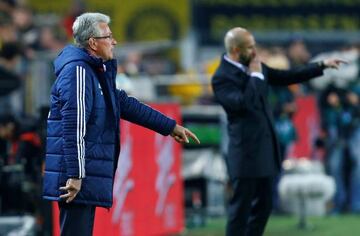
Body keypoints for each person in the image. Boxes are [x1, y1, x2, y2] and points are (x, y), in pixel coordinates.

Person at [42, 12, 200, 236]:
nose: (114, 41)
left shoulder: (91, 70)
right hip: (74, 177)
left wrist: (169, 126)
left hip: (81, 173)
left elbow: (123, 103)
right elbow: (73, 126)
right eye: (108, 36)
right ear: (93, 43)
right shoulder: (78, 72)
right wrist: (76, 175)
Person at [211, 27, 346, 236]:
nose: (255, 51)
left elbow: (285, 76)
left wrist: (320, 66)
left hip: (266, 148)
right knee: (241, 209)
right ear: (236, 50)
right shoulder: (222, 77)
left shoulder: (254, 66)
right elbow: (244, 104)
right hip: (245, 152)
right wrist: (255, 75)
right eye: (250, 47)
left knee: (264, 207)